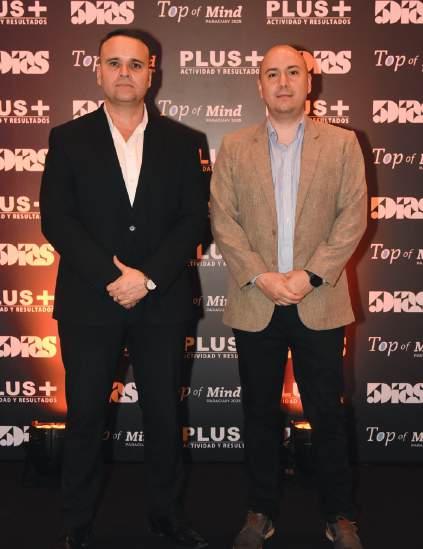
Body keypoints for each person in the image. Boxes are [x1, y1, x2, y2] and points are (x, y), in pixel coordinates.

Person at [40, 28, 208, 549]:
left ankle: (167, 517)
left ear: (151, 73)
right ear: (98, 72)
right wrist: (112, 277)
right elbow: (57, 219)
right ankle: (76, 522)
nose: (124, 73)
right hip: (90, 303)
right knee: (86, 416)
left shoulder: (185, 142)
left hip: (162, 302)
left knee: (164, 415)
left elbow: (194, 221)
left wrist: (147, 277)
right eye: (113, 63)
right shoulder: (68, 138)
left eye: (135, 64)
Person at [210, 45, 367, 549]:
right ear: (259, 84)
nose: (282, 82)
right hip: (256, 302)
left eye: (292, 72)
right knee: (258, 413)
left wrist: (310, 275)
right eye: (272, 74)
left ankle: (340, 515)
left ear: (309, 81)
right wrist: (261, 276)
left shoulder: (342, 143)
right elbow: (223, 220)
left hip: (319, 301)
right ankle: (260, 512)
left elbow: (352, 217)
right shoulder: (235, 146)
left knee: (327, 413)